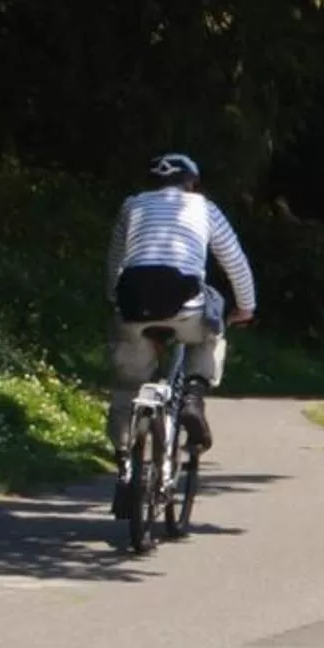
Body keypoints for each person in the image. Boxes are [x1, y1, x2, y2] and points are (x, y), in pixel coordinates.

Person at [106, 154, 255, 491]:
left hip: (133, 305)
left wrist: (115, 300)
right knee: (212, 326)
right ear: (192, 183)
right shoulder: (204, 207)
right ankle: (193, 395)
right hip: (186, 306)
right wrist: (245, 307)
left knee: (127, 386)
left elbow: (116, 259)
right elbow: (234, 260)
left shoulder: (132, 206)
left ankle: (124, 460)